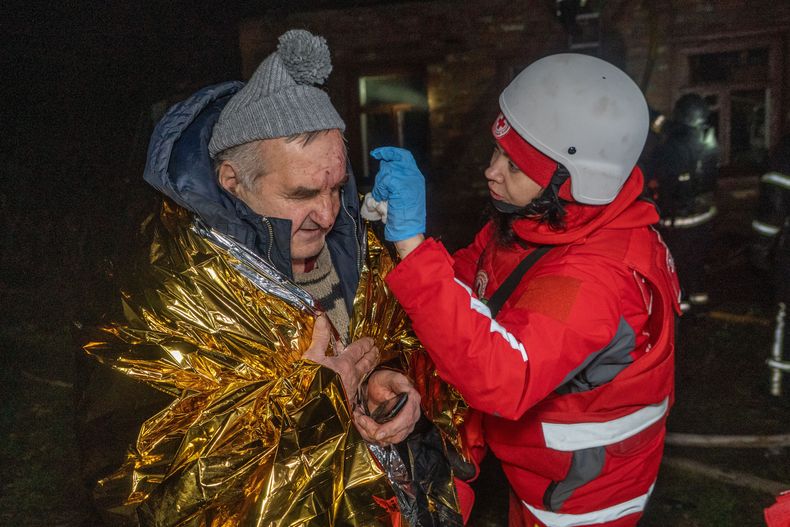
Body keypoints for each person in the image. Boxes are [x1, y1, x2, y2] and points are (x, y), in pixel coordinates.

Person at [76, 29, 462, 526]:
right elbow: (140, 486)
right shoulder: (166, 288)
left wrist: (394, 389)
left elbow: (413, 351)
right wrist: (312, 392)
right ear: (233, 183)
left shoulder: (355, 248)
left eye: (337, 188)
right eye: (301, 195)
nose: (327, 214)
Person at [368, 53, 681, 526]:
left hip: (580, 498)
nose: (492, 171)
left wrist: (413, 246)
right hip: (536, 463)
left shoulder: (597, 277)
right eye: (496, 152)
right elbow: (468, 286)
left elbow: (501, 376)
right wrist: (410, 254)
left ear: (572, 180)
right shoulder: (543, 223)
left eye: (514, 165)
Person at [644, 92, 720, 312]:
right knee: (697, 263)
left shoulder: (670, 147)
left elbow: (655, 175)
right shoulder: (708, 139)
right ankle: (699, 302)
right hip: (705, 217)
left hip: (679, 220)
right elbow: (667, 126)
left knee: (677, 265)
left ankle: (682, 306)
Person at [751, 133, 790, 396]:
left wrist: (761, 248)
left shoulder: (785, 155)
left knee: (785, 313)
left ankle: (778, 384)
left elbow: (773, 208)